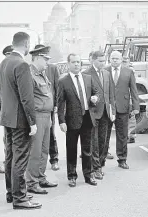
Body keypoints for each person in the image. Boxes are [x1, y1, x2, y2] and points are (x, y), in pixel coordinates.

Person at [0, 32, 41, 209]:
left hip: (7, 117)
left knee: (10, 157)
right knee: (20, 158)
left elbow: (1, 91)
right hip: (20, 119)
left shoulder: (3, 63)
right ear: (27, 44)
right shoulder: (22, 64)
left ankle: (12, 193)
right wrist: (32, 122)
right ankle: (20, 198)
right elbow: (26, 97)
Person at [57, 53, 99, 187]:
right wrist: (61, 121)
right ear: (68, 64)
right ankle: (72, 176)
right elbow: (60, 103)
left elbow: (95, 92)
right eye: (74, 62)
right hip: (71, 120)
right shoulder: (63, 81)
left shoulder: (88, 78)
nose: (76, 64)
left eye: (78, 62)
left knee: (87, 149)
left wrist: (95, 98)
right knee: (72, 149)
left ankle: (88, 175)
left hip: (87, 117)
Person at [25, 45, 58, 195]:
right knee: (35, 151)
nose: (47, 62)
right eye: (45, 59)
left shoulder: (42, 74)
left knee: (45, 149)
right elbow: (28, 100)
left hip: (46, 116)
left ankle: (40, 177)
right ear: (37, 58)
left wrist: (50, 117)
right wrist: (31, 122)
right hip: (37, 116)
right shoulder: (29, 74)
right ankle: (32, 182)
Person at [83, 51, 115, 180]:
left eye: (104, 61)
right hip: (92, 113)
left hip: (106, 113)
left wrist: (112, 110)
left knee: (103, 141)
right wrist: (91, 99)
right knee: (94, 142)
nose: (103, 63)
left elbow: (110, 94)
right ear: (93, 60)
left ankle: (100, 164)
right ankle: (95, 168)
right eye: (101, 61)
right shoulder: (86, 73)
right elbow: (83, 95)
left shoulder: (107, 74)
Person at [105, 51, 139, 169]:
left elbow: (134, 90)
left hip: (122, 107)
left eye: (117, 58)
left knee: (122, 135)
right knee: (104, 134)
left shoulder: (128, 72)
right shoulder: (105, 70)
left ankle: (122, 159)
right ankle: (102, 158)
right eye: (112, 58)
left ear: (121, 60)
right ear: (109, 59)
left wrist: (136, 107)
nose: (114, 60)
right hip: (107, 108)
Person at [34, 45, 61, 171]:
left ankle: (54, 159)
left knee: (51, 135)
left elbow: (56, 88)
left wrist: (56, 105)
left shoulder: (52, 68)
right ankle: (37, 170)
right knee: (38, 141)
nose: (47, 61)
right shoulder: (32, 71)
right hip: (39, 110)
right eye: (45, 57)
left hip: (49, 109)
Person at [1, 45, 14, 166]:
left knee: (9, 140)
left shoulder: (2, 67)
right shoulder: (6, 67)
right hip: (10, 111)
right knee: (10, 140)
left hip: (6, 111)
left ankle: (9, 160)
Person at [122, 56, 137, 144]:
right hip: (124, 98)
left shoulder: (130, 71)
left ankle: (131, 136)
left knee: (131, 117)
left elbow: (133, 88)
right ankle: (128, 135)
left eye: (125, 62)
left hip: (129, 98)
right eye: (123, 62)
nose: (124, 63)